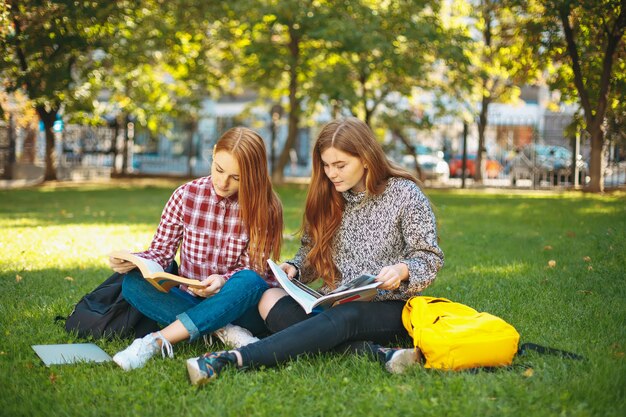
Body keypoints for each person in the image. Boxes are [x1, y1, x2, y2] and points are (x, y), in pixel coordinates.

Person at [186, 117, 444, 384]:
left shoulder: (405, 194)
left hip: (389, 306)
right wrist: (295, 268)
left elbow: (429, 258)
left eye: (340, 165)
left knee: (345, 316)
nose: (332, 173)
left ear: (366, 158)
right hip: (332, 301)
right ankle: (377, 354)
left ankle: (232, 359)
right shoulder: (327, 195)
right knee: (268, 297)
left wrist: (402, 271)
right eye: (326, 165)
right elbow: (310, 252)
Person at [111, 127, 283, 371]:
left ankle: (155, 342)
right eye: (219, 169)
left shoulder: (266, 208)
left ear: (253, 174)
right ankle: (223, 330)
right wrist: (132, 260)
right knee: (132, 284)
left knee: (250, 280)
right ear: (213, 155)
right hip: (189, 297)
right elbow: (160, 253)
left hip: (241, 305)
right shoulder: (185, 195)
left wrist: (222, 282)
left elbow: (253, 269)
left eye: (236, 177)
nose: (223, 182)